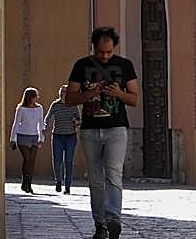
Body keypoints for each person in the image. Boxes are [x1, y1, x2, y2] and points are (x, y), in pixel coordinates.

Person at [65, 26, 140, 239]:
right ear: (93, 47)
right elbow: (69, 99)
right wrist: (92, 93)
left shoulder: (125, 65)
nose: (105, 56)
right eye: (100, 52)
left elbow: (134, 99)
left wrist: (119, 93)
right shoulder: (81, 66)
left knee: (114, 174)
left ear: (114, 47)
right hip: (90, 131)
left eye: (109, 52)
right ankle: (100, 224)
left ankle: (113, 218)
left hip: (116, 129)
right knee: (96, 180)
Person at [44, 84, 81, 194]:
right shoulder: (55, 105)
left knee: (68, 161)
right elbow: (48, 116)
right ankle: (58, 181)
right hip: (57, 136)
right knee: (57, 160)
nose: (62, 94)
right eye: (61, 92)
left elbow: (79, 121)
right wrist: (45, 124)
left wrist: (76, 121)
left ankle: (68, 186)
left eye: (65, 92)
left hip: (70, 136)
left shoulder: (73, 105)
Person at [9, 87, 45, 193]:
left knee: (32, 161)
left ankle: (29, 183)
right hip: (23, 136)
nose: (36, 99)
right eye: (34, 97)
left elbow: (40, 123)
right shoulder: (21, 109)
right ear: (30, 98)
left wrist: (41, 137)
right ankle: (24, 182)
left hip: (34, 137)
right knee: (27, 159)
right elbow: (16, 123)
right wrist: (13, 139)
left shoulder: (39, 108)